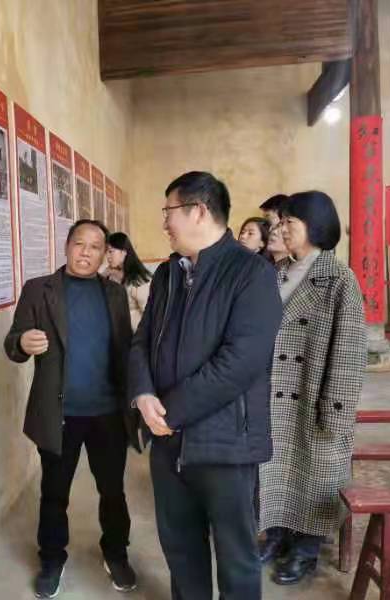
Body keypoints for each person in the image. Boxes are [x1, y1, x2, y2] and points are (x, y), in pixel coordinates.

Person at [128, 171, 282, 600]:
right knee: (181, 552)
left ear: (197, 211)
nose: (165, 222)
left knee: (236, 558)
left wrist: (170, 413)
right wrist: (143, 394)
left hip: (226, 444)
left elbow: (240, 362)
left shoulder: (251, 273)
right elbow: (141, 341)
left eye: (169, 211)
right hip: (167, 442)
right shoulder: (166, 274)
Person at [4, 219, 141, 599]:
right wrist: (22, 343)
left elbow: (125, 349)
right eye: (79, 244)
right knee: (54, 493)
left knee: (112, 490)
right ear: (67, 246)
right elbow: (12, 342)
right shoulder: (39, 290)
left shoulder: (114, 294)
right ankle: (51, 559)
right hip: (59, 414)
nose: (86, 252)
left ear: (104, 254)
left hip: (108, 413)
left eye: (95, 247)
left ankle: (116, 553)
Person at [257, 191, 367, 585]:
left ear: (316, 226)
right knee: (276, 472)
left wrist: (335, 412)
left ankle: (305, 549)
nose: (281, 228)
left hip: (313, 394)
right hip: (272, 393)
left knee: (313, 472)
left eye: (290, 222)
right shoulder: (276, 271)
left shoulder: (340, 279)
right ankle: (276, 535)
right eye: (281, 221)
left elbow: (349, 353)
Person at [105, 232, 153, 332]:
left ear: (124, 252)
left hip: (136, 336)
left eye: (111, 251)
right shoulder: (111, 275)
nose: (107, 256)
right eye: (106, 252)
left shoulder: (139, 280)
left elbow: (151, 316)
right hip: (118, 334)